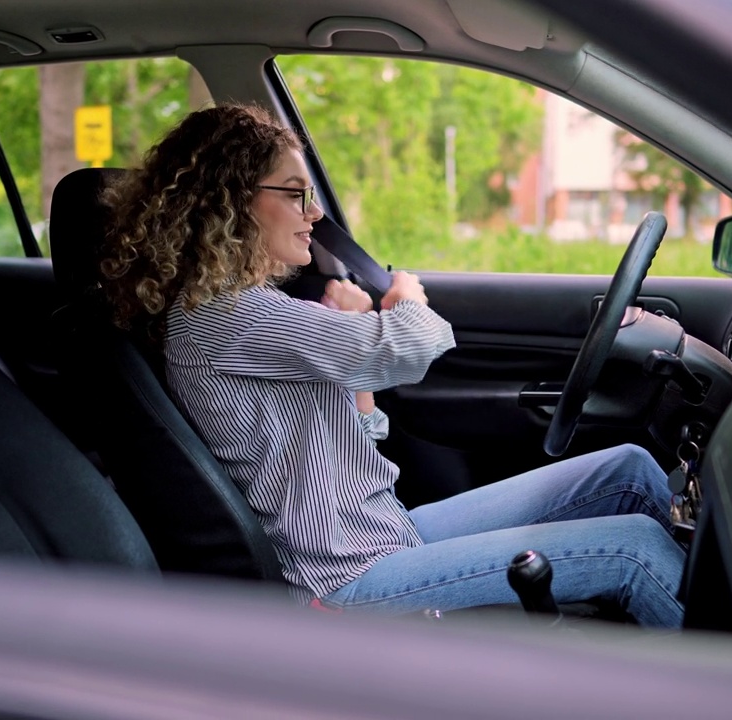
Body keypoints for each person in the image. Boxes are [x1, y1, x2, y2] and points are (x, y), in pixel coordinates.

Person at [98, 103, 687, 628]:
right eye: (295, 193)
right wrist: (404, 300)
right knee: (634, 550)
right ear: (232, 200)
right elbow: (414, 346)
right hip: (342, 583)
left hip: (383, 535)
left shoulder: (255, 311)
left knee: (628, 469)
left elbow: (357, 439)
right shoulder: (228, 315)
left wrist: (356, 363)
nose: (314, 212)